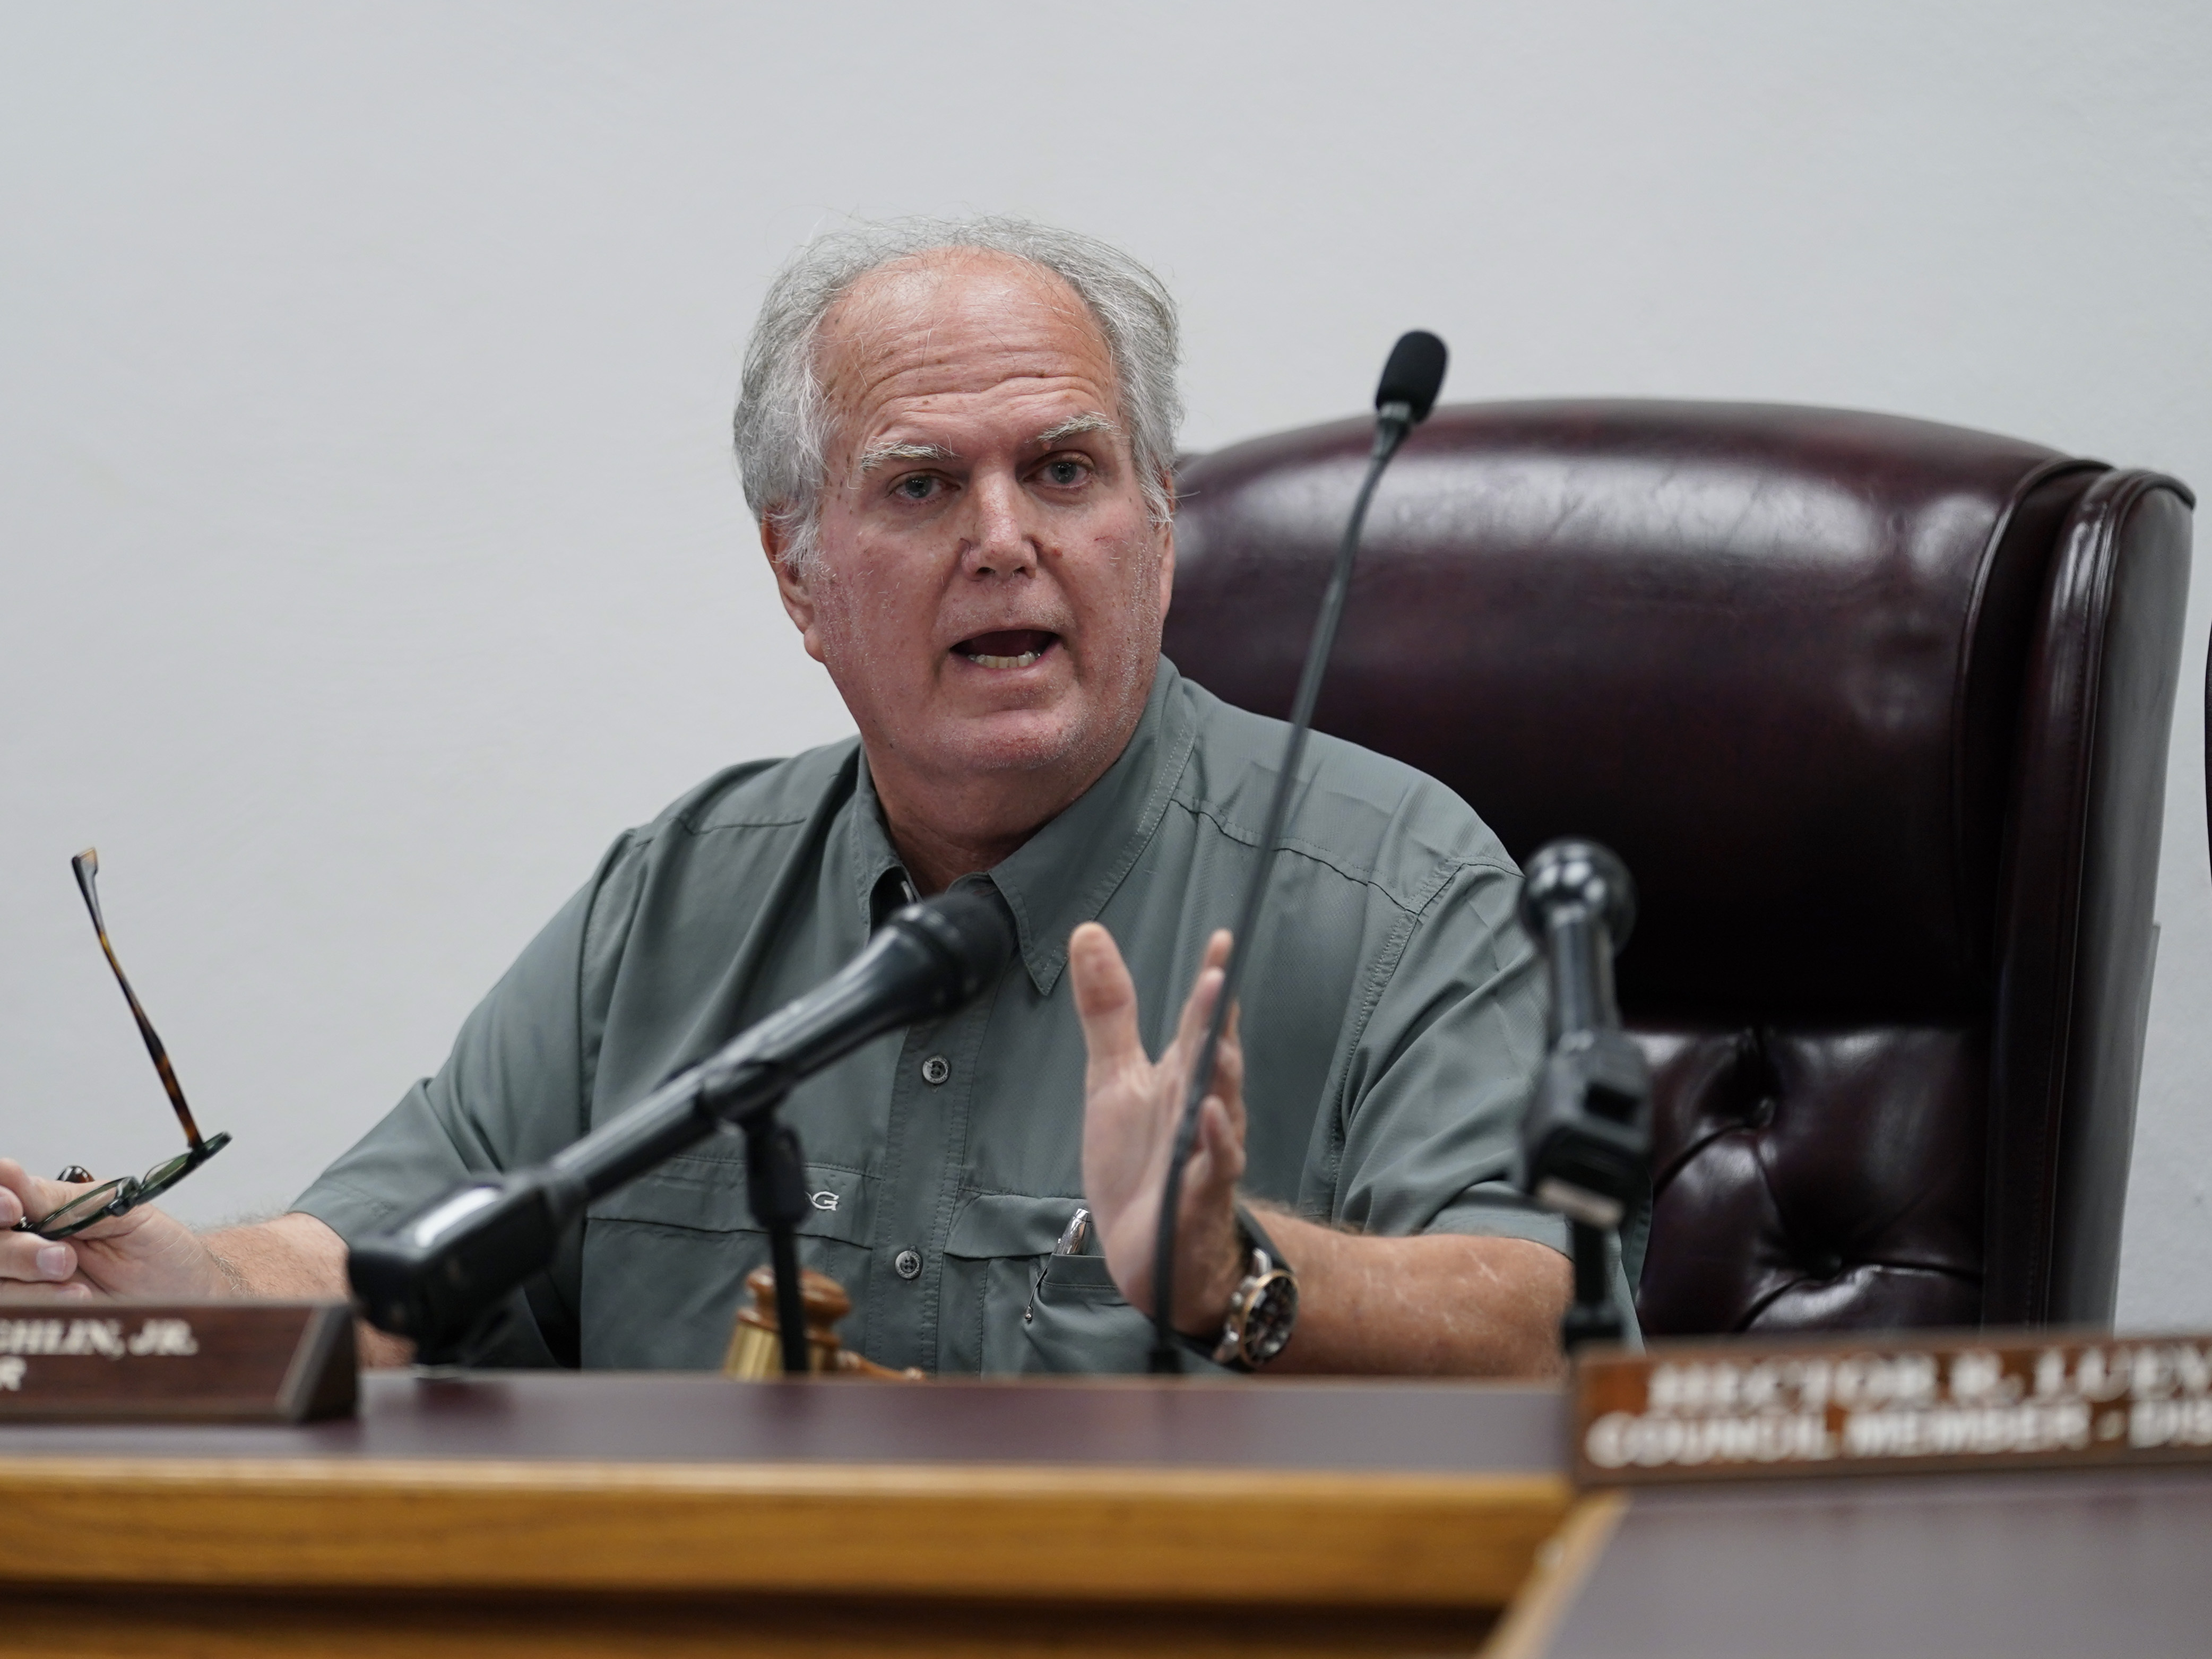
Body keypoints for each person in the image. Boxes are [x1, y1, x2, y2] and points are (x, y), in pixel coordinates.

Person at [0, 217, 1575, 1376]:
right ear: (798, 576)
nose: (1006, 537)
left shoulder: (1398, 888)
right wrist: (172, 1279)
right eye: (920, 485)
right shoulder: (677, 899)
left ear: (1160, 531)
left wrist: (1229, 1269)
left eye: (1068, 471)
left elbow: (1527, 1326)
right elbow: (395, 1252)